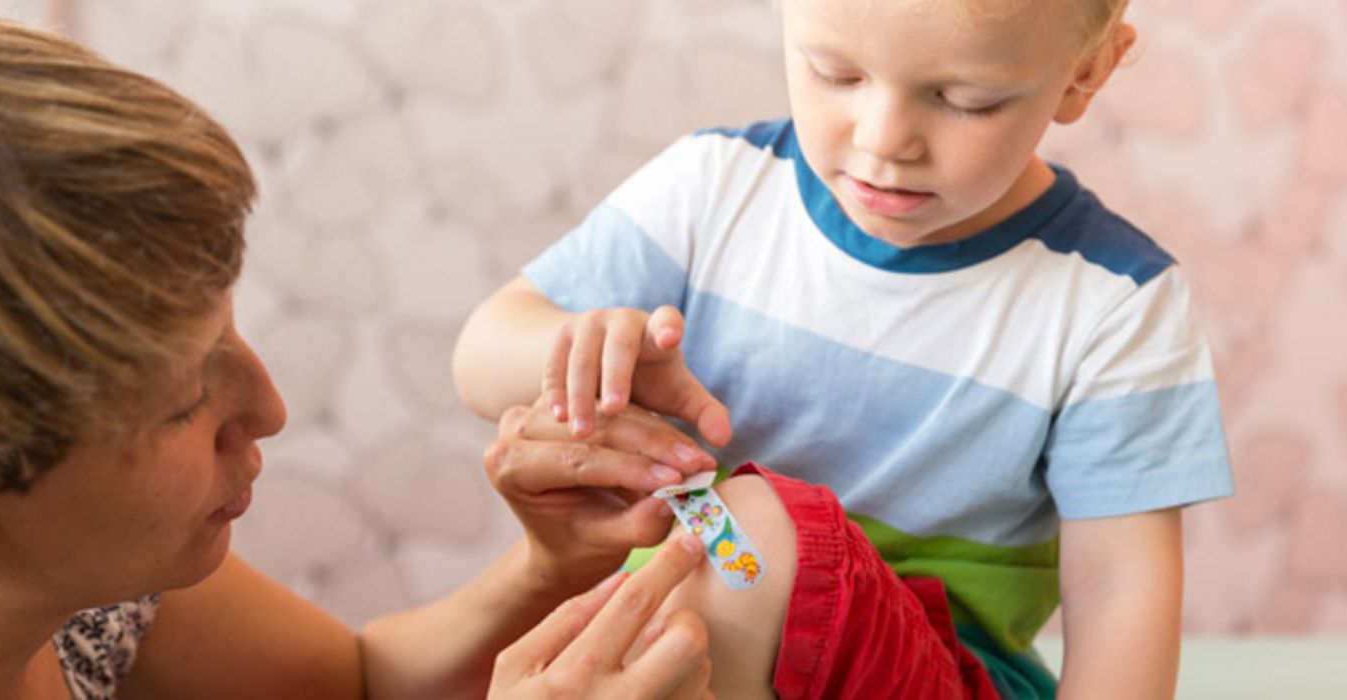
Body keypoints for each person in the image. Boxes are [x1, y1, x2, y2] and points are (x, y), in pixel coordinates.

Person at [453, 0, 1235, 697]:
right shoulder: (713, 187)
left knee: (742, 535)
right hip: (656, 647)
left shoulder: (1115, 302)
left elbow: (1120, 589)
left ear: (1084, 73)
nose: (884, 139)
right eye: (834, 74)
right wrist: (590, 352)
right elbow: (482, 354)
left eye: (965, 100)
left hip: (929, 671)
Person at [0, 15, 718, 700]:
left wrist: (547, 569)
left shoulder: (99, 589)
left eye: (227, 332)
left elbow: (349, 684)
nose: (269, 411)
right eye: (184, 398)